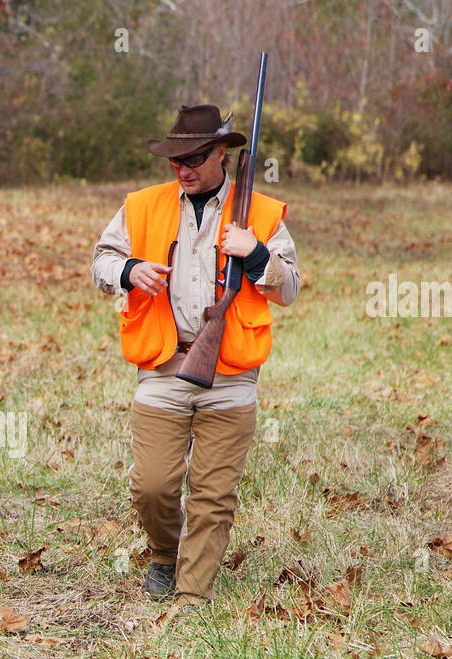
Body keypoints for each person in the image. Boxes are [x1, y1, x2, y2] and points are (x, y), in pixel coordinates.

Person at [92, 104, 301, 605]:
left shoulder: (262, 214)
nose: (183, 169)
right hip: (163, 367)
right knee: (153, 488)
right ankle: (165, 551)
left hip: (231, 374)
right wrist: (128, 271)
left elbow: (289, 287)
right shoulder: (142, 207)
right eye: (175, 160)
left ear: (221, 155)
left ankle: (191, 596)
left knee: (212, 498)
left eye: (194, 158)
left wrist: (254, 253)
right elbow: (102, 259)